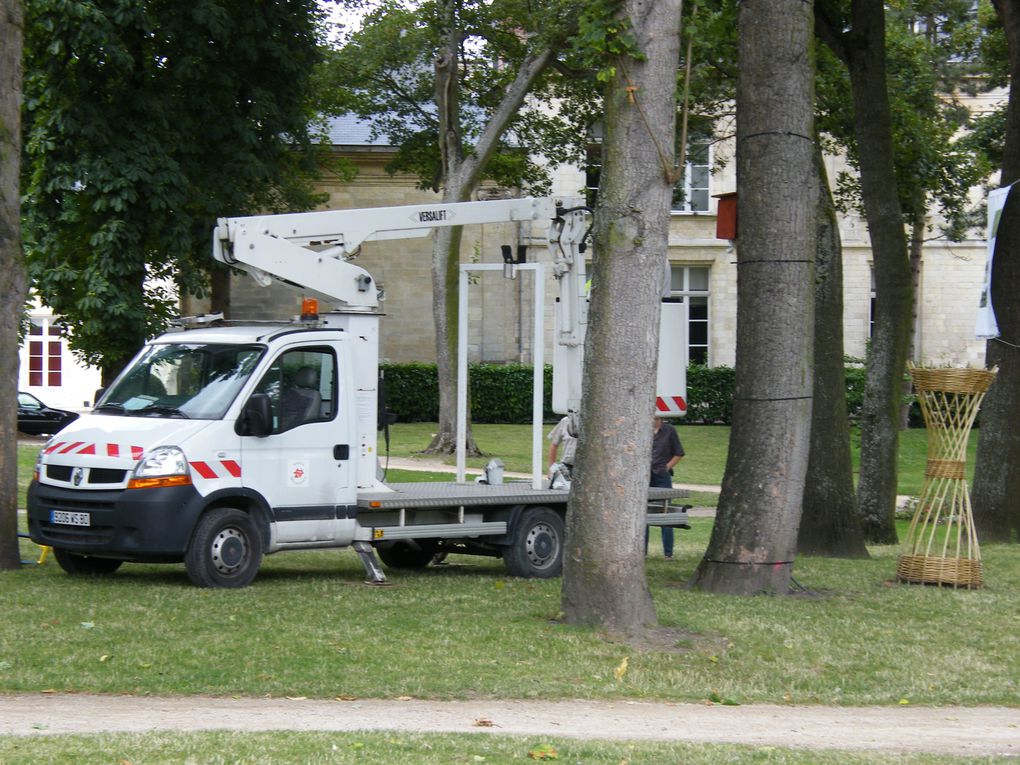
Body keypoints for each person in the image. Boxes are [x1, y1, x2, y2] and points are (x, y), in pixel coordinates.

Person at [647, 411, 684, 559]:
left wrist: (667, 467)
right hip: (645, 476)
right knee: (644, 514)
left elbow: (679, 452)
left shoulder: (669, 430)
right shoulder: (640, 430)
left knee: (665, 512)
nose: (654, 421)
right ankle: (642, 552)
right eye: (652, 418)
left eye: (657, 418)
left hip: (662, 476)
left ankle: (668, 553)